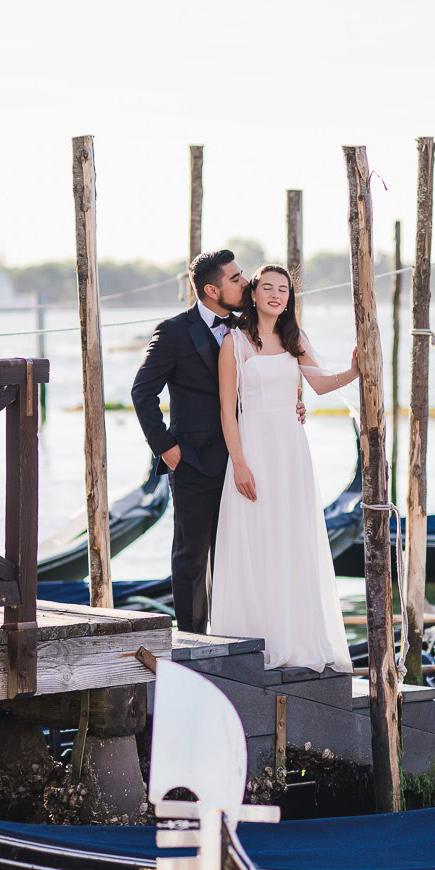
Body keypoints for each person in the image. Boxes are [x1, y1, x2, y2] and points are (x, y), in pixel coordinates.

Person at [208, 264, 359, 671]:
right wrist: (239, 463)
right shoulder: (234, 343)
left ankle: (296, 636)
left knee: (292, 537)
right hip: (253, 448)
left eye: (284, 289)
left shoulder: (296, 339)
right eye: (269, 288)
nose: (277, 295)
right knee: (257, 537)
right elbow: (227, 409)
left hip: (291, 450)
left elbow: (321, 384)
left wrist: (355, 370)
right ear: (253, 294)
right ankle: (258, 634)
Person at [131, 249, 248, 634]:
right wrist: (165, 447)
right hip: (194, 460)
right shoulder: (175, 331)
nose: (244, 283)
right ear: (212, 290)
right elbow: (142, 392)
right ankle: (193, 640)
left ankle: (235, 636)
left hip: (244, 459)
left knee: (238, 554)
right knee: (192, 557)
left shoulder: (250, 328)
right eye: (235, 279)